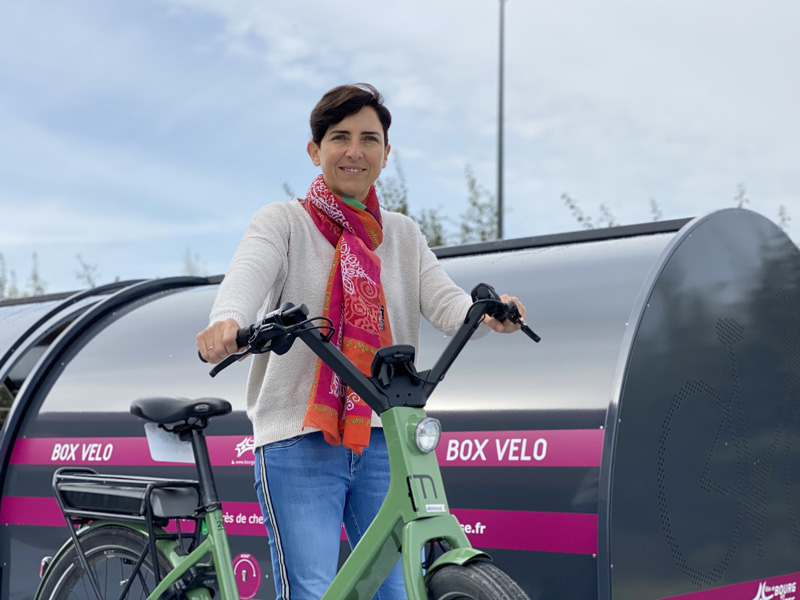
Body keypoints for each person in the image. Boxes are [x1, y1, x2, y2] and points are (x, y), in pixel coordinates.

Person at [196, 83, 525, 600]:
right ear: (315, 150)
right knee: (313, 590)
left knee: (396, 588)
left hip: (382, 435)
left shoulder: (402, 235)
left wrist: (485, 313)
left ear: (386, 154)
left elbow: (443, 300)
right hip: (298, 434)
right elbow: (247, 276)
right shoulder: (284, 222)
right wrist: (227, 321)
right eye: (339, 137)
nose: (355, 151)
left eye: (369, 139)